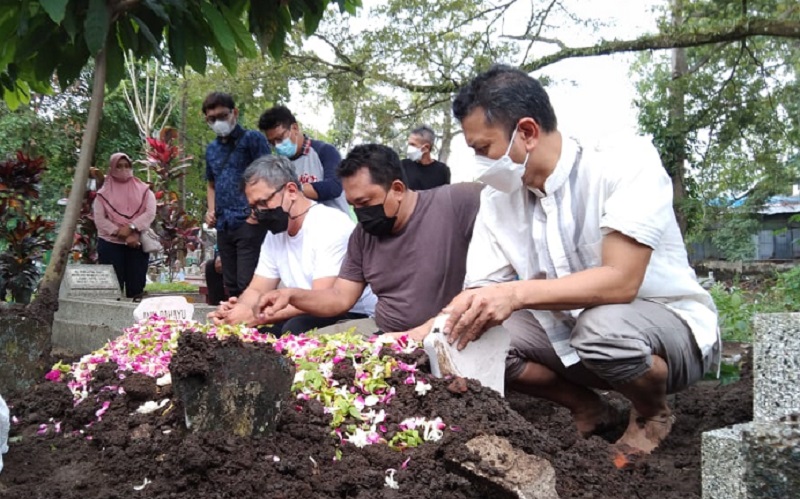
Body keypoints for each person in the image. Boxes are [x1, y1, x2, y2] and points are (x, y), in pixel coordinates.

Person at [433, 65, 720, 456]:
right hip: (576, 339)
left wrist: (516, 293)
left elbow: (622, 281)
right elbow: (480, 292)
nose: (480, 163)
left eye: (484, 149)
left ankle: (652, 413)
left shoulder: (622, 162)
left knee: (600, 329)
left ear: (528, 132)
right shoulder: (497, 201)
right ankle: (588, 406)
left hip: (668, 337)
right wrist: (402, 341)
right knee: (472, 336)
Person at [258, 144, 483, 334]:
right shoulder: (363, 235)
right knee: (304, 345)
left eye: (364, 202)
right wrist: (291, 295)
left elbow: (507, 203)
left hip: (442, 332)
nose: (360, 212)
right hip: (383, 332)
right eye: (353, 205)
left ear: (397, 189)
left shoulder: (454, 203)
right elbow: (339, 298)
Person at [209, 155, 376, 335]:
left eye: (263, 202)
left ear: (291, 191)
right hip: (299, 311)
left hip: (350, 312)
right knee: (256, 333)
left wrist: (255, 315)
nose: (258, 212)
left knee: (294, 328)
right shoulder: (275, 235)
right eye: (253, 207)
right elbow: (257, 288)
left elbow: (324, 298)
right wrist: (236, 312)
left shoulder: (330, 224)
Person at [203, 92, 272, 298]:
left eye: (222, 116)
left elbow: (268, 175)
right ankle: (238, 328)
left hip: (249, 221)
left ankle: (257, 327)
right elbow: (211, 183)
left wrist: (256, 214)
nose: (218, 122)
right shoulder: (211, 149)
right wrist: (211, 210)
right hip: (223, 224)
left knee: (248, 282)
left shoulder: (252, 139)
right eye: (212, 119)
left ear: (235, 113)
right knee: (230, 283)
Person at [258, 106, 350, 214]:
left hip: (335, 226)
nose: (277, 145)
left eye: (280, 138)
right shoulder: (280, 166)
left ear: (295, 128)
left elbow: (334, 187)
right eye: (272, 142)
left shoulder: (325, 151)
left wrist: (292, 189)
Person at [93, 152, 156, 299]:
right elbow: (100, 219)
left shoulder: (144, 190)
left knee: (136, 288)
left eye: (126, 166)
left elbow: (150, 212)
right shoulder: (103, 194)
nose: (123, 170)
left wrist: (132, 228)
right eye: (119, 166)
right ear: (112, 168)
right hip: (110, 243)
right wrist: (118, 232)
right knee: (112, 289)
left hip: (137, 242)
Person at [402, 125, 451, 190]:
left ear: (426, 148)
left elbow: (443, 196)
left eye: (413, 144)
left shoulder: (442, 171)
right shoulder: (403, 166)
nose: (409, 148)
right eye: (409, 144)